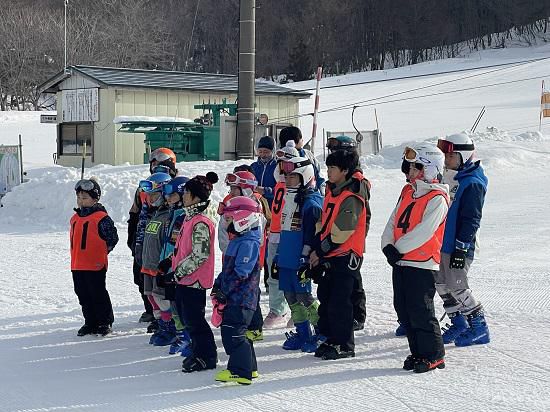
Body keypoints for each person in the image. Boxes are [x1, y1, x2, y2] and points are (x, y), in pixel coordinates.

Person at [381, 143, 449, 373]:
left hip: (421, 263)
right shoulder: (408, 191)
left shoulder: (437, 198)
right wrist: (387, 244)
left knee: (421, 310)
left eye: (415, 167)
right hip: (400, 260)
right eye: (410, 167)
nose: (409, 171)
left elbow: (424, 231)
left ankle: (433, 354)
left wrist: (398, 248)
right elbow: (394, 220)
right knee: (404, 308)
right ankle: (418, 351)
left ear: (429, 169)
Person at [309, 149, 369, 360]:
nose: (329, 172)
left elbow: (343, 230)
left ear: (344, 171)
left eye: (332, 168)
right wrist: (318, 246)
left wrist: (321, 250)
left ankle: (344, 344)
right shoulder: (333, 190)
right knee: (326, 296)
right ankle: (332, 338)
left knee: (340, 301)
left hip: (345, 253)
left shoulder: (351, 195)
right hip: (331, 252)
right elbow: (323, 220)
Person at [436, 133, 490, 347]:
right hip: (443, 243)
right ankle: (459, 322)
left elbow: (471, 219)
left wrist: (461, 248)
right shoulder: (453, 177)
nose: (447, 161)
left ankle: (479, 326)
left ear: (463, 156)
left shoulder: (473, 183)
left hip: (458, 247)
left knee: (457, 286)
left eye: (450, 156)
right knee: (440, 284)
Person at [169, 172, 219, 373]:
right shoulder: (190, 218)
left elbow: (199, 255)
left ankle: (207, 355)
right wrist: (169, 264)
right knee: (185, 316)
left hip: (194, 280)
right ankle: (198, 350)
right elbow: (183, 248)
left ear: (196, 197)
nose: (183, 196)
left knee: (194, 319)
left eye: (187, 192)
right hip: (184, 278)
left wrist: (177, 273)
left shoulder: (201, 221)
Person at [274, 156, 323, 353]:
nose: (288, 179)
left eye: (293, 176)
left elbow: (313, 235)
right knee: (290, 295)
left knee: (304, 296)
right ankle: (303, 333)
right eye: (286, 175)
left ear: (305, 176)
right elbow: (284, 230)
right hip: (286, 256)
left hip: (300, 258)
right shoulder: (289, 197)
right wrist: (277, 257)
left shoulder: (311, 202)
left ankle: (322, 331)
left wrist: (306, 258)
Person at [213, 196, 263, 385]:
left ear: (243, 219)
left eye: (229, 219)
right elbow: (227, 270)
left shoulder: (248, 243)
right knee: (239, 332)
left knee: (232, 333)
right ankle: (250, 367)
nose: (226, 224)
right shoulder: (239, 240)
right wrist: (218, 284)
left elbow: (240, 273)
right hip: (235, 297)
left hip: (241, 298)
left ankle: (240, 371)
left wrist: (224, 290)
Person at [217, 170, 270, 342]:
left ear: (246, 189)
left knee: (249, 289)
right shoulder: (230, 203)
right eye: (231, 189)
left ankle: (254, 326)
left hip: (248, 255)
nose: (231, 193)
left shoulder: (254, 207)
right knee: (235, 284)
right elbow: (223, 228)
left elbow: (258, 237)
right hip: (232, 251)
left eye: (236, 189)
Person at [325, 135, 370, 332]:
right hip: (338, 234)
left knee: (351, 279)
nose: (333, 154)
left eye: (337, 151)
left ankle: (357, 315)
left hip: (350, 238)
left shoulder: (356, 181)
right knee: (344, 281)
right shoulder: (337, 179)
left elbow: (359, 213)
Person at [128, 148, 177, 325]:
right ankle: (151, 310)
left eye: (161, 164)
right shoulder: (145, 186)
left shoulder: (172, 187)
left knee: (160, 285)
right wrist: (133, 239)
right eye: (154, 164)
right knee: (141, 278)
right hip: (143, 237)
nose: (156, 167)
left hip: (160, 244)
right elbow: (135, 212)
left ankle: (164, 318)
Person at [71, 178, 118, 336]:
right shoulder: (75, 218)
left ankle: (104, 321)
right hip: (77, 264)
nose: (81, 201)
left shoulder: (101, 218)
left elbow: (112, 238)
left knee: (97, 293)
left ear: (95, 198)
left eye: (85, 198)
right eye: (79, 198)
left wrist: (102, 251)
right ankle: (90, 321)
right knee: (82, 294)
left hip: (95, 265)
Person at [262, 141, 299, 329]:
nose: (283, 169)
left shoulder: (297, 188)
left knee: (292, 275)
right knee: (273, 274)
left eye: (287, 165)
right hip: (275, 235)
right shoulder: (279, 185)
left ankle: (297, 309)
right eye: (281, 165)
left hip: (289, 236)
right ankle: (277, 309)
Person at [139, 172, 177, 347]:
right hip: (148, 265)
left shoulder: (169, 217)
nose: (150, 199)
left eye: (154, 195)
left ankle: (171, 328)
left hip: (159, 266)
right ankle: (161, 325)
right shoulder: (154, 215)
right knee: (151, 297)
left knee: (162, 299)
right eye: (148, 196)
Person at [157, 176, 192, 356]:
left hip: (179, 268)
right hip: (169, 265)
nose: (168, 199)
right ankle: (179, 332)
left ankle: (187, 334)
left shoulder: (184, 216)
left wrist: (172, 262)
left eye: (172, 195)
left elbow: (182, 246)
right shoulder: (173, 214)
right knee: (172, 301)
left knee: (181, 304)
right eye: (167, 196)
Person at [279, 126, 325, 193]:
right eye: (301, 139)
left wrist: (322, 192)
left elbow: (318, 175)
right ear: (294, 142)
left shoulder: (307, 154)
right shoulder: (282, 158)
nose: (303, 141)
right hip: (290, 195)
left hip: (308, 193)